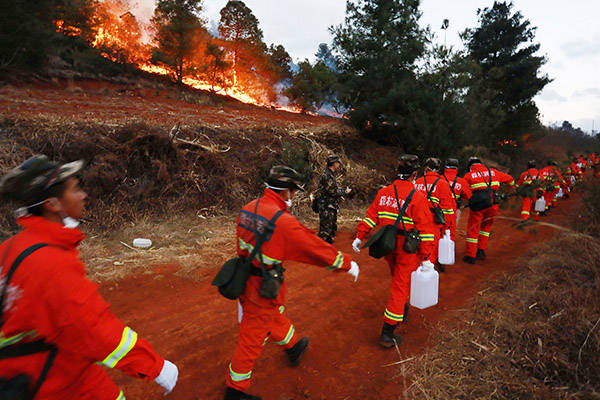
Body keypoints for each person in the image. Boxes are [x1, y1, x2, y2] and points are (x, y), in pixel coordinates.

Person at [0, 155, 178, 400]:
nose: (83, 195)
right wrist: (155, 366)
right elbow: (93, 328)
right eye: (76, 189)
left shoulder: (11, 247)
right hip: (57, 379)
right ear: (53, 204)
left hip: (26, 372)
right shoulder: (51, 263)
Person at [225, 165, 359, 400]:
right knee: (251, 339)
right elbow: (313, 247)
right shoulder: (281, 221)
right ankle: (234, 391)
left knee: (273, 316)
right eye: (293, 191)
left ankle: (293, 346)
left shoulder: (247, 209)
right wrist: (345, 263)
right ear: (286, 191)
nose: (294, 196)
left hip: (245, 277)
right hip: (264, 286)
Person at [351, 155, 436, 348]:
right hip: (407, 248)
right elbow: (426, 232)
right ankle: (388, 332)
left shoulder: (384, 193)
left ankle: (402, 308)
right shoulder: (418, 197)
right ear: (415, 174)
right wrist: (427, 258)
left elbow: (370, 217)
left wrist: (359, 236)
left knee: (398, 280)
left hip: (387, 244)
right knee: (400, 287)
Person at [462, 157, 514, 264]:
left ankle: (470, 256)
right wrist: (507, 192)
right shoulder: (493, 172)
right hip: (493, 205)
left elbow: (463, 191)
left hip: (478, 205)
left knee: (473, 228)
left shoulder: (469, 175)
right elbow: (511, 180)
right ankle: (481, 251)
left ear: (471, 167)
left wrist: (468, 199)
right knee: (486, 227)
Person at [413, 158, 455, 271]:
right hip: (432, 220)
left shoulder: (416, 182)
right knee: (431, 244)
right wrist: (447, 229)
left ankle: (416, 267)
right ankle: (428, 269)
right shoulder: (443, 184)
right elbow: (447, 210)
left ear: (426, 168)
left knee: (416, 241)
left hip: (415, 217)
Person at [316, 155, 352, 243]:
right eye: (337, 163)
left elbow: (333, 190)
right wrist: (345, 192)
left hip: (330, 206)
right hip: (326, 206)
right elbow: (333, 191)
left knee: (331, 230)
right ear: (334, 163)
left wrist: (342, 192)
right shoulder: (327, 175)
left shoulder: (330, 175)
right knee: (325, 232)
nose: (338, 165)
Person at [442, 158, 472, 241]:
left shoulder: (439, 179)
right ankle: (447, 251)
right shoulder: (461, 182)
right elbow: (469, 196)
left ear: (445, 168)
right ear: (456, 169)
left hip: (437, 211)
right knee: (450, 233)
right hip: (453, 211)